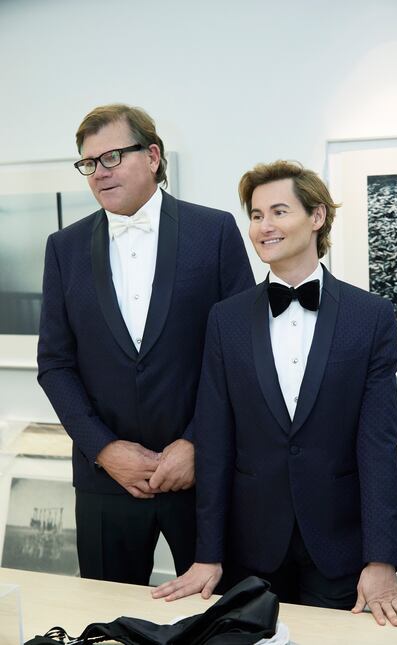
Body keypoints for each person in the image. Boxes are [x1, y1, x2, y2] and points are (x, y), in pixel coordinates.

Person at [152, 160, 397, 627]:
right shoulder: (225, 319)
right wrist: (207, 553)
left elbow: (377, 445)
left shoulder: (371, 316)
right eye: (255, 215)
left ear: (316, 217)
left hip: (338, 547)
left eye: (278, 211)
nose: (264, 226)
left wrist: (381, 559)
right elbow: (214, 442)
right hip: (248, 549)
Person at [37, 104, 254, 585]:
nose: (99, 173)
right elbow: (54, 364)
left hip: (204, 473)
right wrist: (105, 449)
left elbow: (242, 353)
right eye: (89, 163)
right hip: (105, 482)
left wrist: (197, 442)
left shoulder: (214, 231)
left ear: (152, 156)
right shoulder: (63, 248)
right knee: (104, 621)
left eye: (111, 157)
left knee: (220, 620)